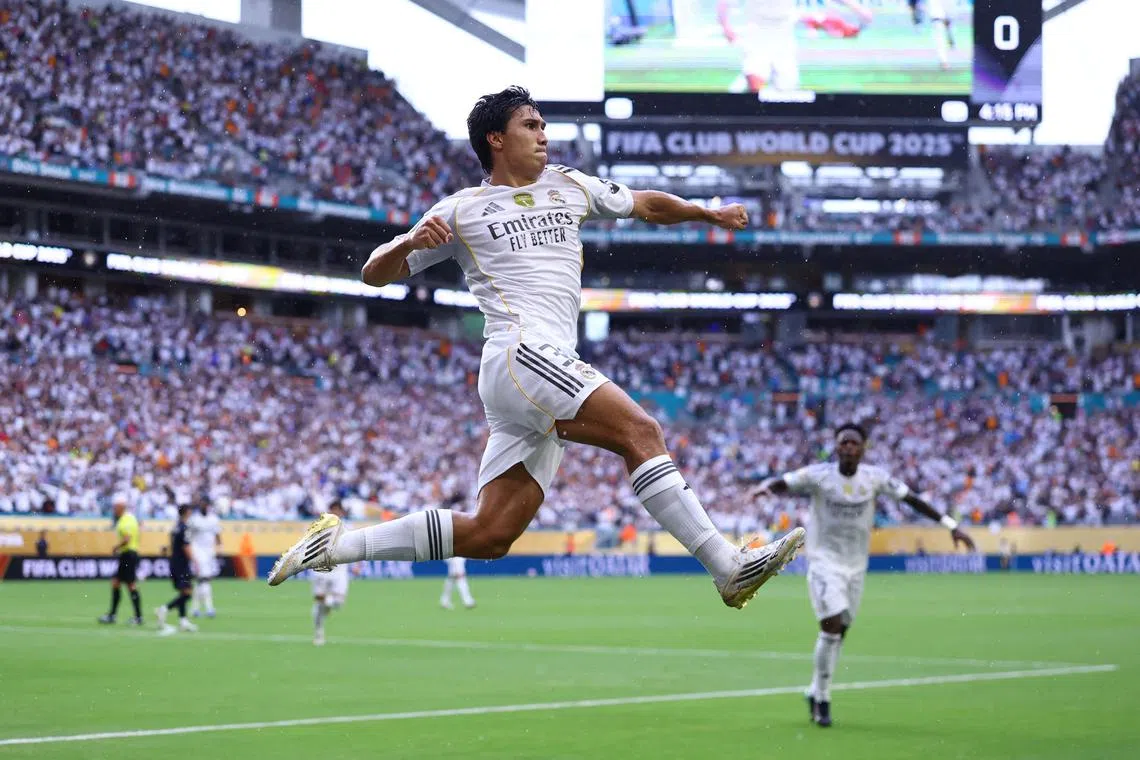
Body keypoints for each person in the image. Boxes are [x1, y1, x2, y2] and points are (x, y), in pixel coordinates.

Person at [268, 85, 805, 610]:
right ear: (496, 139)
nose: (544, 134)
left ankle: (335, 547)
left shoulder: (569, 185)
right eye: (531, 125)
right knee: (640, 431)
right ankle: (725, 565)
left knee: (490, 533)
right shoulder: (461, 210)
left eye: (543, 124)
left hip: (536, 371)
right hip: (521, 353)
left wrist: (707, 214)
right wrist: (409, 242)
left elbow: (644, 204)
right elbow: (373, 274)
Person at [752, 423, 976, 727]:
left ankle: (814, 689)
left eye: (853, 443)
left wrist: (951, 525)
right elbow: (785, 482)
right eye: (843, 442)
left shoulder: (874, 478)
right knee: (831, 626)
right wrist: (766, 488)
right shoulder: (819, 475)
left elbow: (911, 499)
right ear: (836, 447)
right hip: (823, 561)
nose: (848, 447)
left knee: (840, 631)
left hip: (856, 565)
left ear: (862, 448)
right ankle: (822, 700)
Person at [718, 0, 872, 93]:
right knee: (755, 83)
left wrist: (858, 8)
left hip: (784, 35)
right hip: (757, 34)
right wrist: (725, 26)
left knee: (787, 89)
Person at [98, 498, 144, 625]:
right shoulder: (131, 518)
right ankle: (113, 615)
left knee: (130, 585)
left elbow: (127, 538)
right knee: (116, 582)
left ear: (121, 507)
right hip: (130, 554)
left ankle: (138, 617)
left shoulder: (125, 520)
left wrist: (116, 547)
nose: (114, 510)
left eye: (115, 507)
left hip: (128, 554)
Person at [155, 505, 199, 636]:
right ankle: (164, 609)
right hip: (182, 565)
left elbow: (172, 544)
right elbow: (186, 546)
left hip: (174, 563)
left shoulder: (175, 527)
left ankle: (183, 621)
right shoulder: (184, 528)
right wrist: (194, 561)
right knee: (188, 593)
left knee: (183, 592)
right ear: (187, 512)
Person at [311, 502, 350, 646]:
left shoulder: (347, 528)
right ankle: (318, 632)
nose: (336, 513)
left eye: (338, 510)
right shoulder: (320, 527)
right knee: (320, 603)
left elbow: (354, 546)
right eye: (333, 510)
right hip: (321, 571)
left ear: (342, 512)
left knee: (337, 603)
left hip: (339, 571)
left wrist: (358, 564)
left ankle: (328, 602)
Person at [186, 502, 222, 618]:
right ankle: (209, 608)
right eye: (203, 505)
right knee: (204, 579)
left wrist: (220, 547)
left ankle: (195, 608)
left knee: (202, 581)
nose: (205, 507)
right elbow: (188, 535)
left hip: (209, 552)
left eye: (206, 505)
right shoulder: (194, 520)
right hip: (198, 551)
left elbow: (217, 534)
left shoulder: (214, 519)